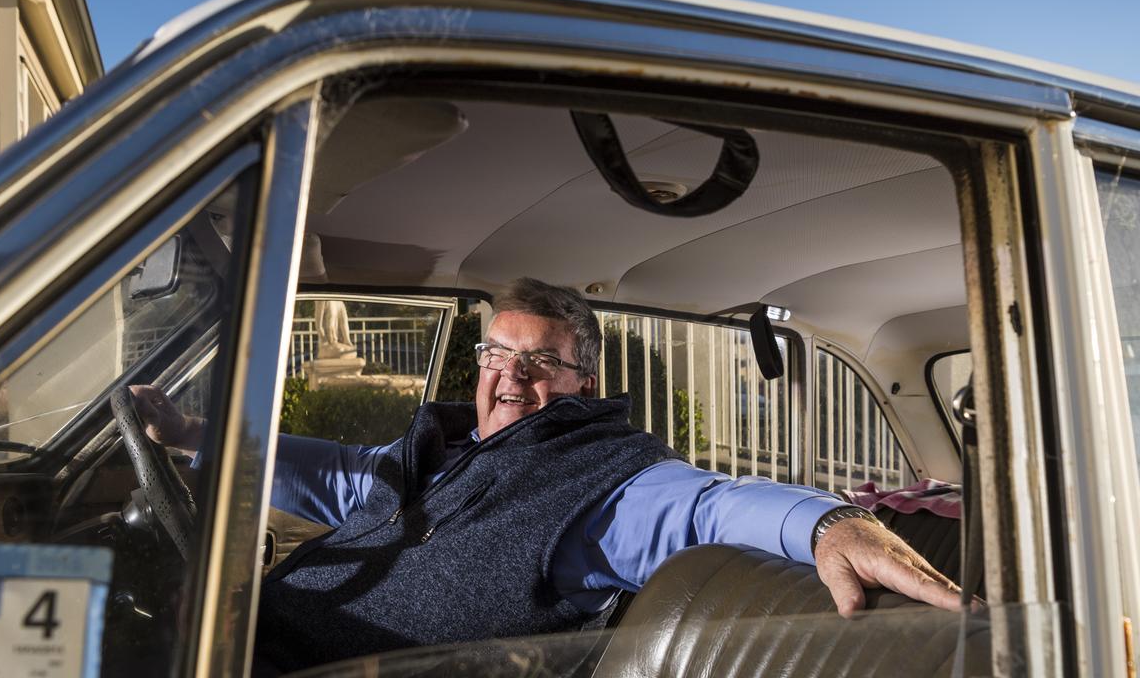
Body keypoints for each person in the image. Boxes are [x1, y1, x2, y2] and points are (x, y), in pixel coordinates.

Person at [132, 278, 961, 672]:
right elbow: (347, 479)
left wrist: (826, 523)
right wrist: (194, 434)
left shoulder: (603, 479)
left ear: (581, 384)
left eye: (540, 362)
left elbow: (706, 506)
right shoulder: (445, 448)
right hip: (244, 645)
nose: (510, 377)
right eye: (497, 353)